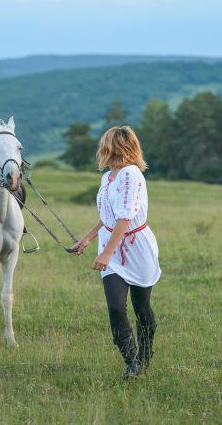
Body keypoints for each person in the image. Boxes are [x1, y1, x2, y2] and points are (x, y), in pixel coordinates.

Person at [72, 126, 161, 378]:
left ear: (113, 146)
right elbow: (109, 216)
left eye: (106, 144)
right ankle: (132, 363)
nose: (103, 149)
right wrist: (88, 239)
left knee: (142, 308)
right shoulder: (107, 177)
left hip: (135, 247)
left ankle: (145, 355)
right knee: (116, 308)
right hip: (109, 244)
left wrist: (106, 254)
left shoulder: (131, 174)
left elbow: (125, 217)